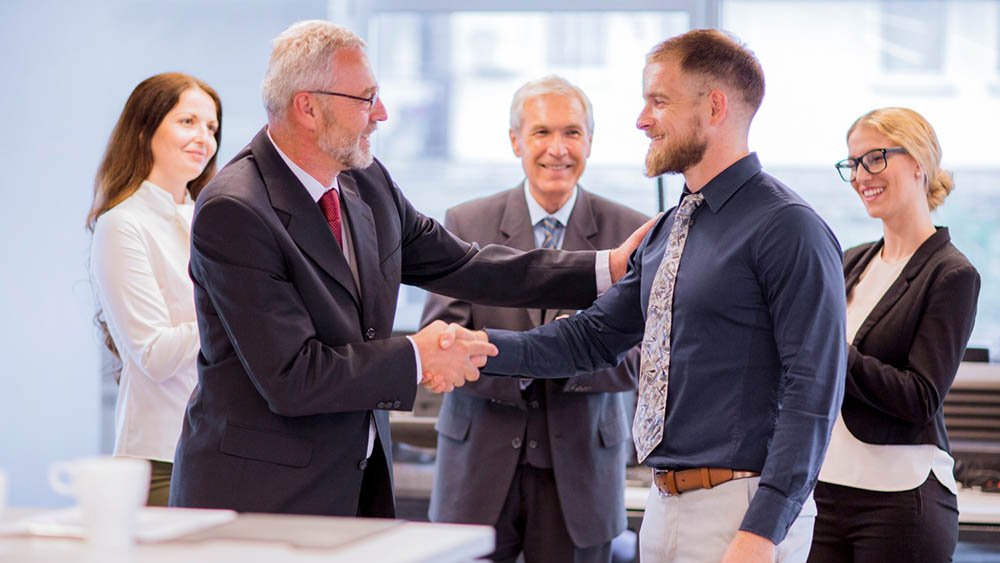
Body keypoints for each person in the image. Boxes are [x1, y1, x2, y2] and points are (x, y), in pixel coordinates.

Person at [168, 20, 648, 518]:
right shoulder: (236, 209)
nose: (382, 113)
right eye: (366, 98)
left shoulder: (366, 180)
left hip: (353, 484)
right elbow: (295, 376)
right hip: (256, 501)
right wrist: (419, 357)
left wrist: (605, 267)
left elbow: (465, 263)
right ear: (308, 107)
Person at [470, 29, 847, 563]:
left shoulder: (789, 228)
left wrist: (764, 529)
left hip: (740, 512)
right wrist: (478, 348)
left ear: (714, 106)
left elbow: (815, 392)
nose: (642, 120)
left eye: (658, 101)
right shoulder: (671, 227)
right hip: (664, 504)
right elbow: (592, 337)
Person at [422, 75, 648, 563]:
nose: (557, 149)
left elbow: (638, 360)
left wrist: (537, 353)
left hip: (582, 471)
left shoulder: (629, 231)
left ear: (590, 140)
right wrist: (555, 349)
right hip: (477, 466)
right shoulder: (467, 224)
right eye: (542, 132)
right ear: (515, 141)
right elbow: (443, 344)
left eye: (572, 132)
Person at [809, 108, 981, 562]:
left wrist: (831, 351)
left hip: (899, 501)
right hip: (824, 491)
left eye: (875, 158)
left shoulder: (951, 274)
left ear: (919, 162)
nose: (861, 175)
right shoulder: (850, 261)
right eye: (853, 163)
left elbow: (921, 397)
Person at [87, 72, 222, 506]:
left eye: (212, 127)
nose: (203, 137)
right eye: (188, 121)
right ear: (145, 128)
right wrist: (236, 306)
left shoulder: (213, 219)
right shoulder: (122, 225)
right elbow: (154, 355)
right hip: (162, 458)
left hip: (227, 451)